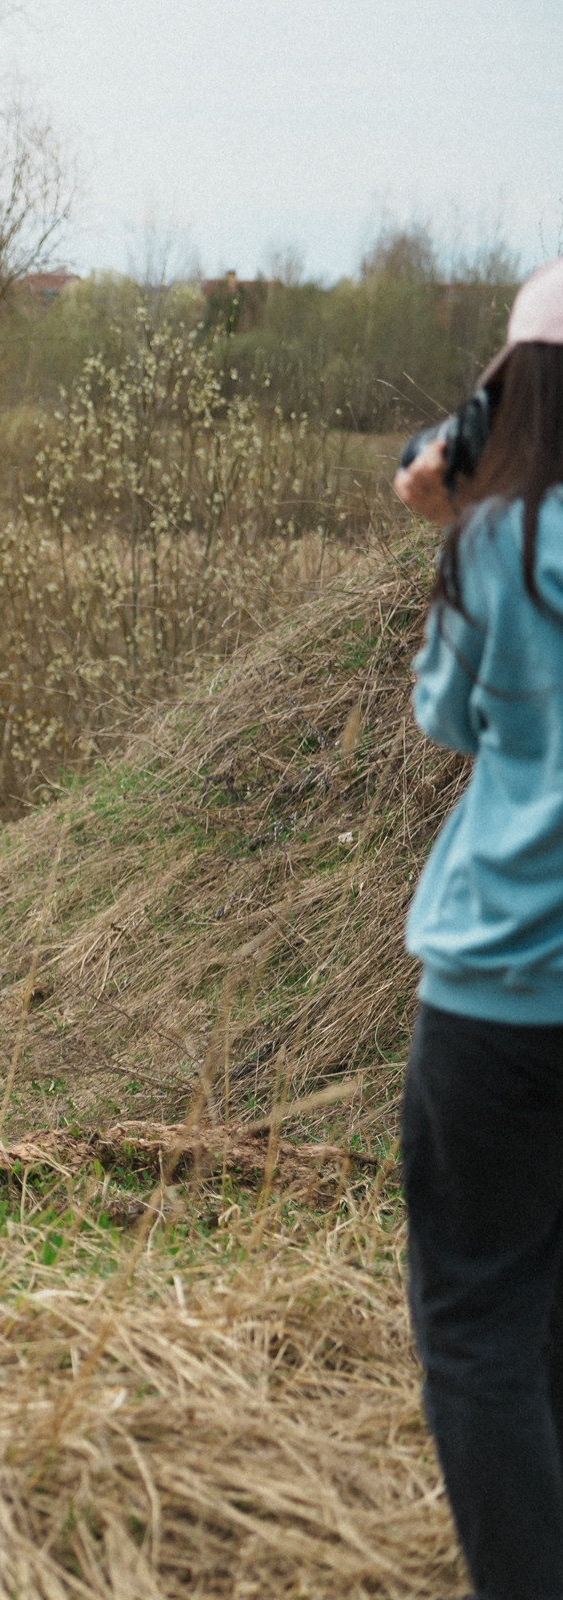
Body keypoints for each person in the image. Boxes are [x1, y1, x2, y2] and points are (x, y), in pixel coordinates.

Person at [392, 256, 563, 1596]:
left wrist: (449, 522)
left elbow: (446, 719)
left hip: (499, 996)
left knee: (480, 1336)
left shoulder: (495, 545)